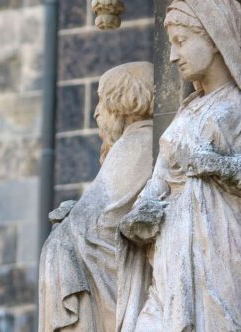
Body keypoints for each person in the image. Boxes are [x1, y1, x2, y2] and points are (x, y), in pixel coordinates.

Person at [117, 0, 241, 332]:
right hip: (171, 271)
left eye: (181, 41)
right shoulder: (185, 113)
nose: (174, 55)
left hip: (229, 271)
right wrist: (142, 214)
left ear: (216, 36)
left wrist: (221, 166)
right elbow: (159, 181)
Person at [39, 61, 155, 331]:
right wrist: (75, 213)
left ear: (124, 102)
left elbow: (104, 219)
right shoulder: (130, 145)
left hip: (104, 289)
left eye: (102, 101)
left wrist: (74, 218)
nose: (96, 113)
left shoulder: (138, 144)